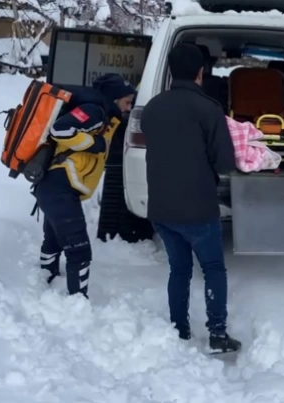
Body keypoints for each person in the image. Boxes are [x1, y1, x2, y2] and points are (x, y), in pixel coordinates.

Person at [140, 43, 241, 353]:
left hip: (161, 208)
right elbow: (224, 163)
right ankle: (217, 334)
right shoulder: (209, 109)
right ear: (200, 73)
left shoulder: (152, 108)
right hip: (198, 208)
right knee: (213, 268)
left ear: (170, 72)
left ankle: (179, 329)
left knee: (179, 269)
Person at [36, 73, 137, 298]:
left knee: (53, 242)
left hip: (57, 187)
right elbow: (60, 129)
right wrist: (95, 143)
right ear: (115, 97)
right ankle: (77, 301)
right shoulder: (94, 111)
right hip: (59, 186)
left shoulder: (106, 117)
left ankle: (43, 284)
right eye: (127, 101)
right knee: (79, 250)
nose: (129, 107)